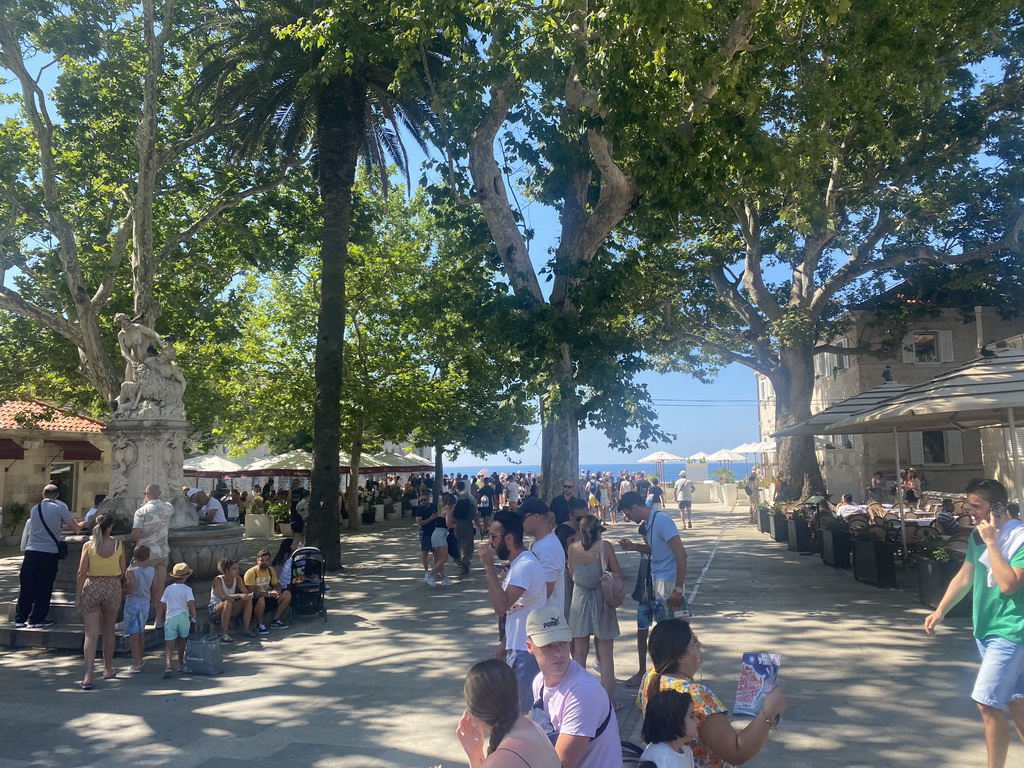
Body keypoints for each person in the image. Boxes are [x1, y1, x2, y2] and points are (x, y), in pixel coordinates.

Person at [924, 478, 1024, 768]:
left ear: (998, 507)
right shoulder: (976, 537)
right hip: (985, 629)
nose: (970, 511)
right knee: (1017, 703)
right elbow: (965, 577)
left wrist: (993, 542)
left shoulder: (1019, 538)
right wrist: (941, 610)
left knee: (987, 703)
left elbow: (1008, 584)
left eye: (977, 506)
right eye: (969, 505)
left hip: (1011, 631)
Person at [639, 619, 786, 768]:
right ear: (680, 657)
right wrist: (769, 712)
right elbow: (737, 752)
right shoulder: (696, 695)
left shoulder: (650, 677)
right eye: (695, 642)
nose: (700, 645)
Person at [526, 607, 621, 768]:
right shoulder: (538, 683)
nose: (558, 652)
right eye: (548, 646)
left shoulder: (583, 693)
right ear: (529, 647)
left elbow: (560, 764)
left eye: (562, 643)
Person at [479, 510, 547, 714]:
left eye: (493, 536)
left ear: (509, 538)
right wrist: (504, 643)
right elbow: (515, 610)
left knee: (522, 713)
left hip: (526, 650)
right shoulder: (519, 564)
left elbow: (501, 606)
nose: (489, 541)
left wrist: (489, 568)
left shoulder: (524, 566)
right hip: (517, 644)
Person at [456, 658, 561, 768]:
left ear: (473, 711)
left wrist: (474, 756)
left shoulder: (499, 761)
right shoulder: (532, 727)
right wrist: (475, 755)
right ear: (516, 696)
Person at [567, 515, 622, 706]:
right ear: (598, 530)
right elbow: (617, 572)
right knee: (605, 653)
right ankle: (608, 700)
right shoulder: (605, 547)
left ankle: (579, 699)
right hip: (602, 599)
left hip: (580, 599)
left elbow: (572, 573)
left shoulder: (572, 548)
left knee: (580, 653)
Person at [14, 484, 82, 629]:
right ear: (57, 495)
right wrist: (84, 524)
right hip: (48, 552)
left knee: (27, 586)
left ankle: (20, 618)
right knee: (44, 586)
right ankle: (37, 618)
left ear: (43, 495)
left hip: (31, 551)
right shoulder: (60, 507)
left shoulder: (34, 509)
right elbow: (75, 527)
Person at [618, 492, 687, 621]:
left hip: (668, 582)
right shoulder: (650, 522)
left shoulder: (661, 520)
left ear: (635, 508)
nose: (629, 518)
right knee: (664, 625)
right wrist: (633, 546)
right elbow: (655, 549)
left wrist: (678, 589)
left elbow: (682, 554)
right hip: (659, 580)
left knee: (672, 627)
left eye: (628, 514)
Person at [75, 513, 126, 689]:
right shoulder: (118, 545)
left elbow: (82, 572)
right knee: (109, 630)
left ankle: (88, 675)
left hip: (92, 585)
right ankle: (108, 669)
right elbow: (122, 571)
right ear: (110, 527)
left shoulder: (88, 546)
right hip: (112, 586)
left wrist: (78, 594)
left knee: (91, 633)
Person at [620, 518, 654, 687]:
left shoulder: (661, 547)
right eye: (644, 537)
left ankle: (663, 670)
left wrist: (634, 546)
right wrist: (633, 546)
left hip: (660, 595)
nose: (646, 541)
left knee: (663, 633)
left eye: (647, 536)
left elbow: (651, 548)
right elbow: (646, 548)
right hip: (645, 596)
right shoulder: (645, 547)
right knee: (641, 632)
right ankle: (642, 670)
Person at [131, 483, 175, 615]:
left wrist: (132, 541)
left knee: (138, 586)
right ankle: (159, 619)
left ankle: (138, 615)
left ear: (146, 495)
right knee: (160, 587)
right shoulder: (168, 508)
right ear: (159, 494)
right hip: (162, 552)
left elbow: (135, 534)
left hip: (145, 554)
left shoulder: (141, 511)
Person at [523, 497, 565, 612]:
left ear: (535, 517)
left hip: (545, 623)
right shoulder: (541, 543)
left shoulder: (548, 548)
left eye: (523, 518)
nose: (521, 522)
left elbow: (545, 591)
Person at [640, 689, 700, 768]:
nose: (698, 721)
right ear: (675, 721)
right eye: (691, 716)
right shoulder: (663, 759)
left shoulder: (685, 750)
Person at [158, 562, 196, 679]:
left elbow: (163, 603)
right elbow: (190, 604)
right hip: (183, 616)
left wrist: (164, 615)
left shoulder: (168, 589)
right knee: (182, 640)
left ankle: (168, 665)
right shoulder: (188, 589)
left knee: (169, 643)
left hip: (171, 616)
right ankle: (180, 663)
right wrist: (194, 616)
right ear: (186, 576)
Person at [122, 544, 154, 674]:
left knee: (133, 635)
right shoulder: (152, 570)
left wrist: (120, 591)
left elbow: (131, 589)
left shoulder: (131, 571)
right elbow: (154, 586)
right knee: (141, 633)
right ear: (148, 557)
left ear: (135, 557)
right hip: (145, 603)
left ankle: (136, 663)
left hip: (133, 603)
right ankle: (140, 658)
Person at [244, 548, 293, 632]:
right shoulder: (251, 573)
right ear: (257, 560)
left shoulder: (270, 570)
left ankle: (275, 620)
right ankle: (260, 625)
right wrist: (269, 594)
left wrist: (278, 591)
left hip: (269, 596)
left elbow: (276, 584)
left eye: (267, 560)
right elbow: (252, 592)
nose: (264, 562)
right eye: (262, 560)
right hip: (256, 600)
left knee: (287, 594)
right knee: (261, 599)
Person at [210, 558, 255, 642]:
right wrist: (238, 595)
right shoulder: (218, 580)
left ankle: (246, 629)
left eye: (238, 568)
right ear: (226, 571)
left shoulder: (237, 578)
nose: (237, 571)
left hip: (231, 607)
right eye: (234, 569)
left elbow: (245, 592)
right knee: (227, 602)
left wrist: (249, 595)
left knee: (248, 600)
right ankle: (225, 634)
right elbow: (223, 596)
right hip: (216, 608)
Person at [454, 481, 483, 575]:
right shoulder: (470, 505)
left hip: (457, 526)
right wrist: (480, 528)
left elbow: (451, 516)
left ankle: (460, 560)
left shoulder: (456, 504)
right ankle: (465, 560)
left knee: (459, 543)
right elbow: (476, 518)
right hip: (467, 525)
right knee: (469, 545)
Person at [428, 494, 456, 587]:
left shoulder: (442, 509)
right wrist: (457, 526)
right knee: (444, 558)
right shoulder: (448, 510)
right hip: (441, 534)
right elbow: (449, 524)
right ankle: (430, 575)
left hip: (436, 533)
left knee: (440, 558)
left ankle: (444, 578)